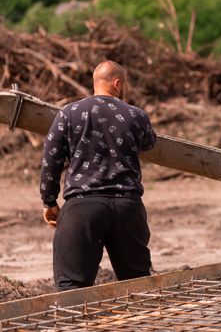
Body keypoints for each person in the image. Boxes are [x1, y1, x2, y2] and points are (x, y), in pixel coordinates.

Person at [40, 60, 156, 291]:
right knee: (139, 286)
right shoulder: (137, 115)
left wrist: (49, 201)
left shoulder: (69, 113)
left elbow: (51, 159)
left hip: (83, 208)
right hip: (128, 208)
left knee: (72, 289)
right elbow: (150, 143)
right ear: (117, 83)